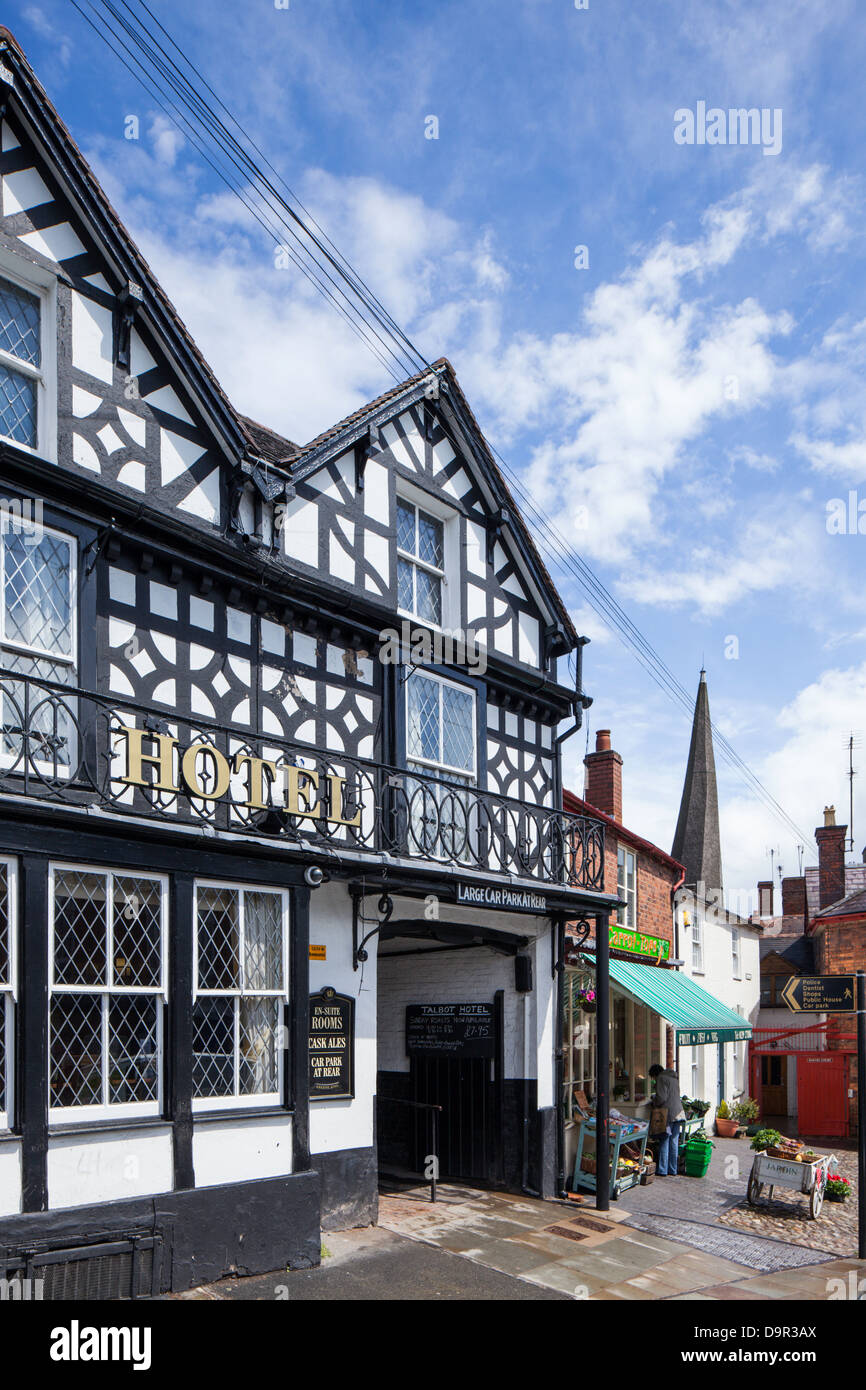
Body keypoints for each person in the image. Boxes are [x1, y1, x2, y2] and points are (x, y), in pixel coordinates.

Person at [649, 1062, 686, 1176]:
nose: (654, 1079)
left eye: (653, 1077)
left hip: (667, 1113)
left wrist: (654, 1101)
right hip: (679, 1112)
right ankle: (672, 1169)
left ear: (655, 1074)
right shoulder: (673, 1077)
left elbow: (662, 1098)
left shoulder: (661, 1078)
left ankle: (662, 1169)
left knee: (664, 1140)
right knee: (674, 1142)